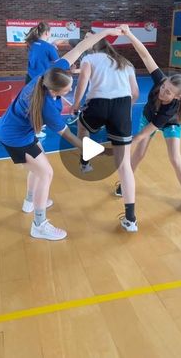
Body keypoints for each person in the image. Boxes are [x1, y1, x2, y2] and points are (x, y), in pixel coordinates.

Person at [0, 26, 122, 241]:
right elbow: (71, 138)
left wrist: (106, 33)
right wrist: (96, 151)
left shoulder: (51, 74)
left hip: (18, 131)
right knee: (45, 172)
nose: (70, 90)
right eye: (67, 91)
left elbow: (82, 47)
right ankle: (39, 224)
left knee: (38, 168)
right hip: (15, 137)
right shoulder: (47, 107)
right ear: (55, 92)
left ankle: (31, 200)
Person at [115, 24, 181, 214]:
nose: (162, 91)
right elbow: (145, 55)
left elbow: (145, 132)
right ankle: (126, 182)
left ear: (177, 97)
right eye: (163, 87)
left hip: (167, 125)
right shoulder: (160, 81)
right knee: (139, 154)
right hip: (148, 115)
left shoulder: (172, 109)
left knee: (175, 158)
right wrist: (129, 34)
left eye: (168, 92)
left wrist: (128, 141)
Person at [70, 37, 139, 232]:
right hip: (122, 106)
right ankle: (131, 218)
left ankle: (85, 162)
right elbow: (135, 93)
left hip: (98, 103)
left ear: (92, 46)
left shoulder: (89, 59)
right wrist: (124, 111)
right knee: (124, 164)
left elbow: (82, 82)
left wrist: (76, 105)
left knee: (82, 129)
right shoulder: (126, 62)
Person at [24, 22, 60, 138]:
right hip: (41, 79)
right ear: (47, 32)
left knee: (33, 102)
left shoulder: (32, 44)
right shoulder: (49, 47)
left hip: (30, 78)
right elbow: (57, 65)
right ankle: (36, 128)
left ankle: (37, 124)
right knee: (40, 103)